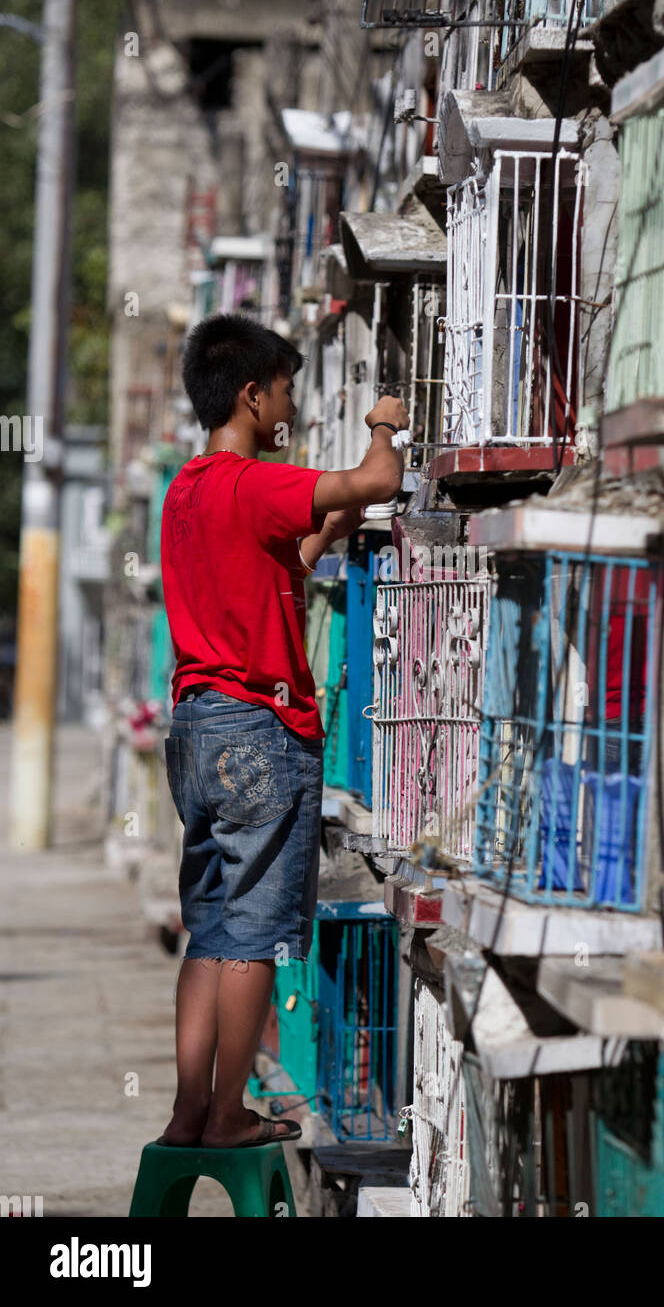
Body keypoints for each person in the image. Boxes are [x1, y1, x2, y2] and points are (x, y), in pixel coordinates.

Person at [157, 311, 408, 1149]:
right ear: (252, 393)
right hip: (258, 730)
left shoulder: (186, 490)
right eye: (287, 391)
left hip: (196, 727)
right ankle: (229, 1115)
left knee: (213, 929)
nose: (291, 407)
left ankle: (191, 1110)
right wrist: (385, 420)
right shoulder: (252, 479)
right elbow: (374, 480)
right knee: (255, 935)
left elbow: (276, 566)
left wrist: (324, 532)